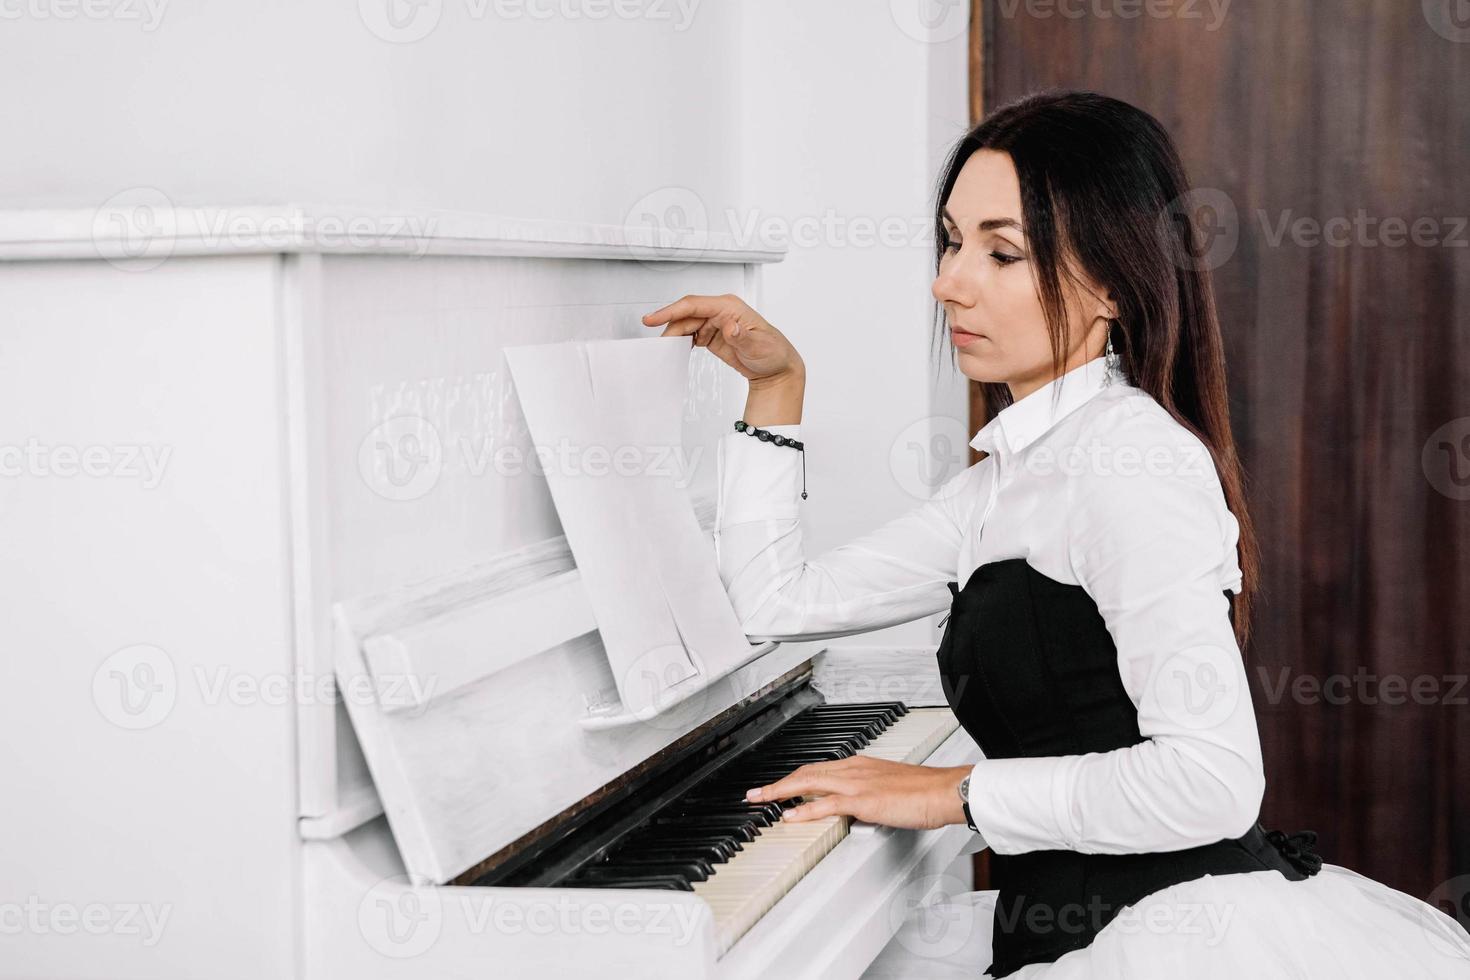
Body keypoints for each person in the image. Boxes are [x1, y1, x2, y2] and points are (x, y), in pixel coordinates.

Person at [640, 91, 1470, 979]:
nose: (949, 281)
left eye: (1003, 252)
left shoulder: (1130, 466)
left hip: (1164, 940)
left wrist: (950, 794)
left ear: (1113, 282)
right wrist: (776, 394)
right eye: (953, 242)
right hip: (1064, 931)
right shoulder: (1010, 477)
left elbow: (1214, 783)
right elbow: (775, 602)